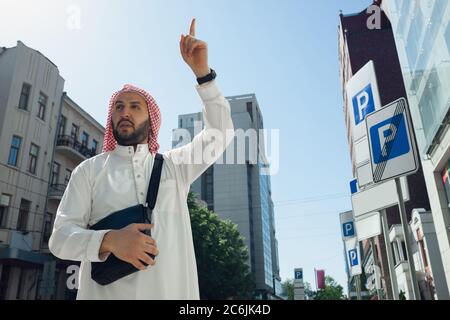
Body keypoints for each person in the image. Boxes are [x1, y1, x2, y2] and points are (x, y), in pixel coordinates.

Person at [49, 18, 234, 300]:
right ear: (111, 117)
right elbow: (59, 239)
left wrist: (203, 75)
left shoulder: (174, 168)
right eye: (119, 107)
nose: (125, 112)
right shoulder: (89, 171)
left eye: (135, 107)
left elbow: (220, 134)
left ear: (151, 121)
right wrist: (109, 240)